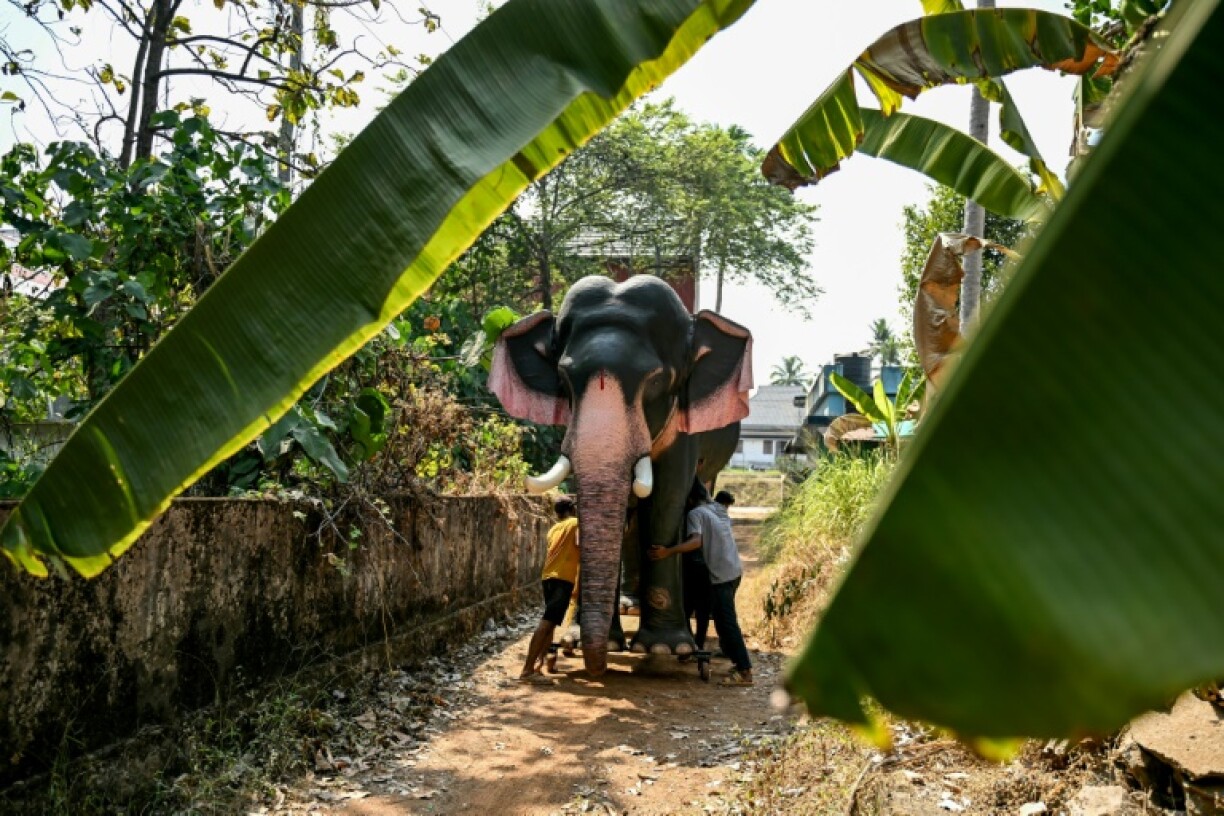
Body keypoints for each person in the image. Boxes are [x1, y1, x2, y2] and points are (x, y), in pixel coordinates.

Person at [650, 481, 753, 686]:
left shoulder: (695, 514)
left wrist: (667, 551)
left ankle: (745, 671)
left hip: (722, 575)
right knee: (723, 622)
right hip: (734, 571)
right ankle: (736, 660)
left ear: (688, 499)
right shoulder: (717, 508)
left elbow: (696, 542)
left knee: (728, 623)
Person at [519, 496, 579, 684]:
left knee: (551, 623)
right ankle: (527, 670)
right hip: (562, 578)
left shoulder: (554, 528)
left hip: (548, 577)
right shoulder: (576, 523)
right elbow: (580, 545)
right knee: (546, 623)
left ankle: (539, 665)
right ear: (573, 510)